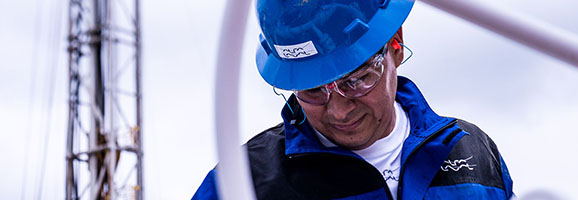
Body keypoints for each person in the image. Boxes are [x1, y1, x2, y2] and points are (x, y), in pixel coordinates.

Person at [194, 0, 513, 199]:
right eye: (313, 90)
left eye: (357, 79)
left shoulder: (473, 153)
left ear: (396, 45)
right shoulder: (244, 181)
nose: (339, 110)